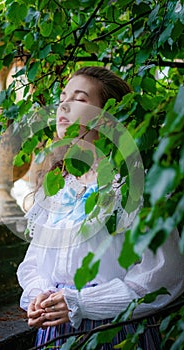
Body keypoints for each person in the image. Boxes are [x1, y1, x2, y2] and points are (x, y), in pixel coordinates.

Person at [16, 66, 184, 349]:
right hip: (54, 333)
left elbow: (163, 276)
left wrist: (81, 303)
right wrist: (39, 298)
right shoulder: (58, 187)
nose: (64, 106)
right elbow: (33, 264)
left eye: (80, 99)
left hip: (117, 332)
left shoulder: (137, 188)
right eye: (63, 97)